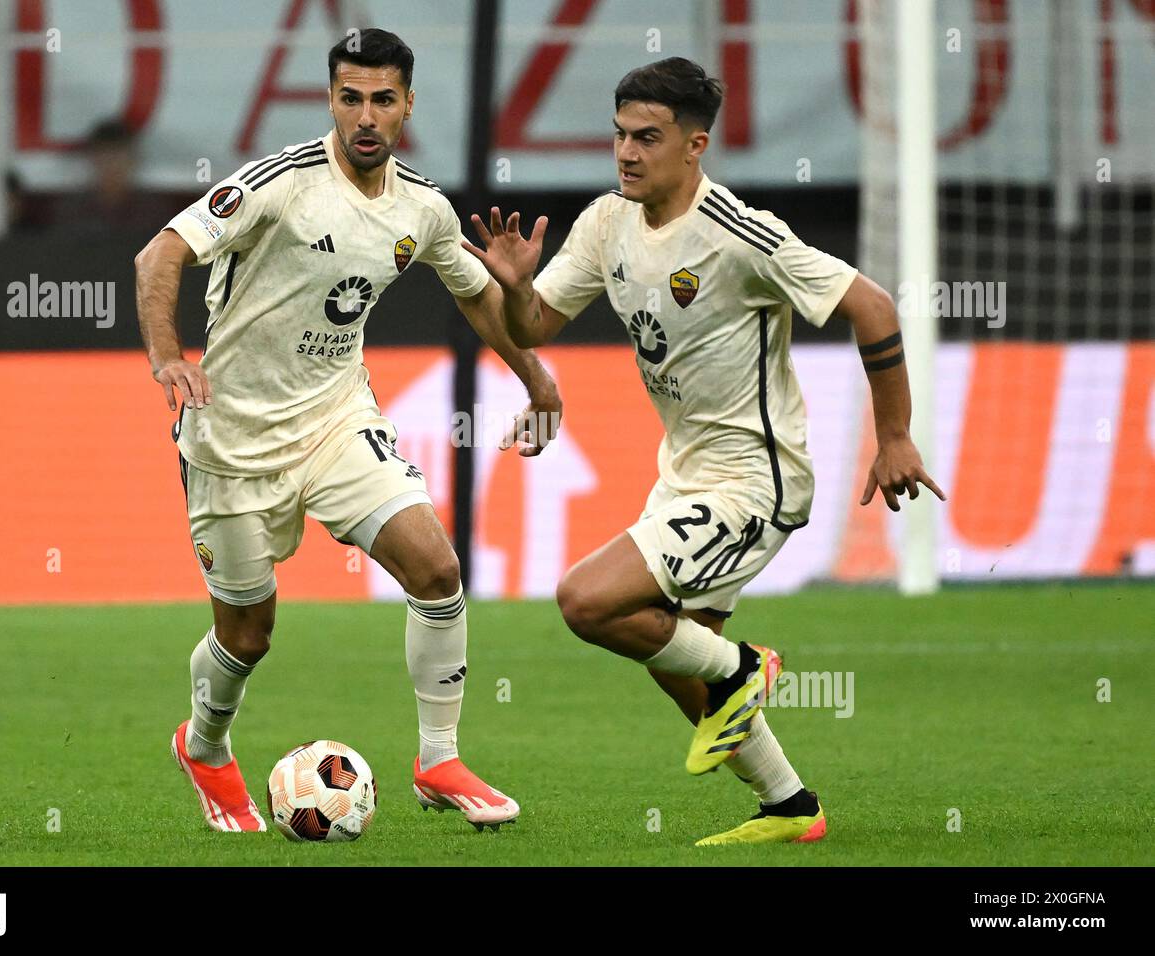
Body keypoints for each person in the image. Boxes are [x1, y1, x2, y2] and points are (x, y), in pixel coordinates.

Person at [463, 57, 945, 846]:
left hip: (757, 480)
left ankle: (744, 668)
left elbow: (872, 304)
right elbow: (534, 330)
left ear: (695, 146)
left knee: (587, 601)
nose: (625, 152)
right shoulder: (606, 223)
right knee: (676, 657)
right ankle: (792, 808)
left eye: (646, 138)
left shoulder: (739, 235)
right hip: (686, 474)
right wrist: (517, 288)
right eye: (619, 134)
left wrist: (893, 434)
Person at [134, 29, 561, 833]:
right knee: (249, 634)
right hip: (231, 441)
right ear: (330, 100)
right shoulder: (280, 184)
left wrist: (535, 374)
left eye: (383, 99)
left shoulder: (423, 209)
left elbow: (475, 294)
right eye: (350, 97)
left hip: (337, 420)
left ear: (407, 106)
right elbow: (159, 255)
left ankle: (438, 758)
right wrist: (167, 357)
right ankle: (206, 744)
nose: (367, 116)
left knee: (435, 569)